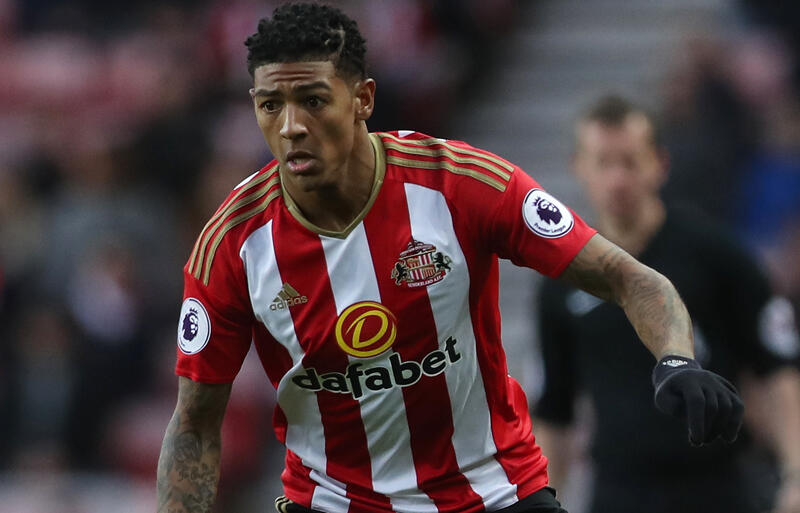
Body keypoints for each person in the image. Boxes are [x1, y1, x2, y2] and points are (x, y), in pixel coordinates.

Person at [156, 4, 744, 513]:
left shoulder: (460, 185)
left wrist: (676, 360)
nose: (290, 127)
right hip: (334, 502)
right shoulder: (231, 244)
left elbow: (630, 278)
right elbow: (194, 426)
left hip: (492, 493)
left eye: (313, 100)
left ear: (363, 100)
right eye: (270, 105)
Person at [532, 95, 800, 513]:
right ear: (578, 168)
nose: (617, 179)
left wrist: (795, 472)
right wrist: (545, 499)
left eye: (630, 161)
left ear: (660, 163)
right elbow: (554, 410)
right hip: (619, 492)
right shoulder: (562, 280)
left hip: (716, 487)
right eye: (603, 163)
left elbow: (775, 367)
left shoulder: (715, 255)